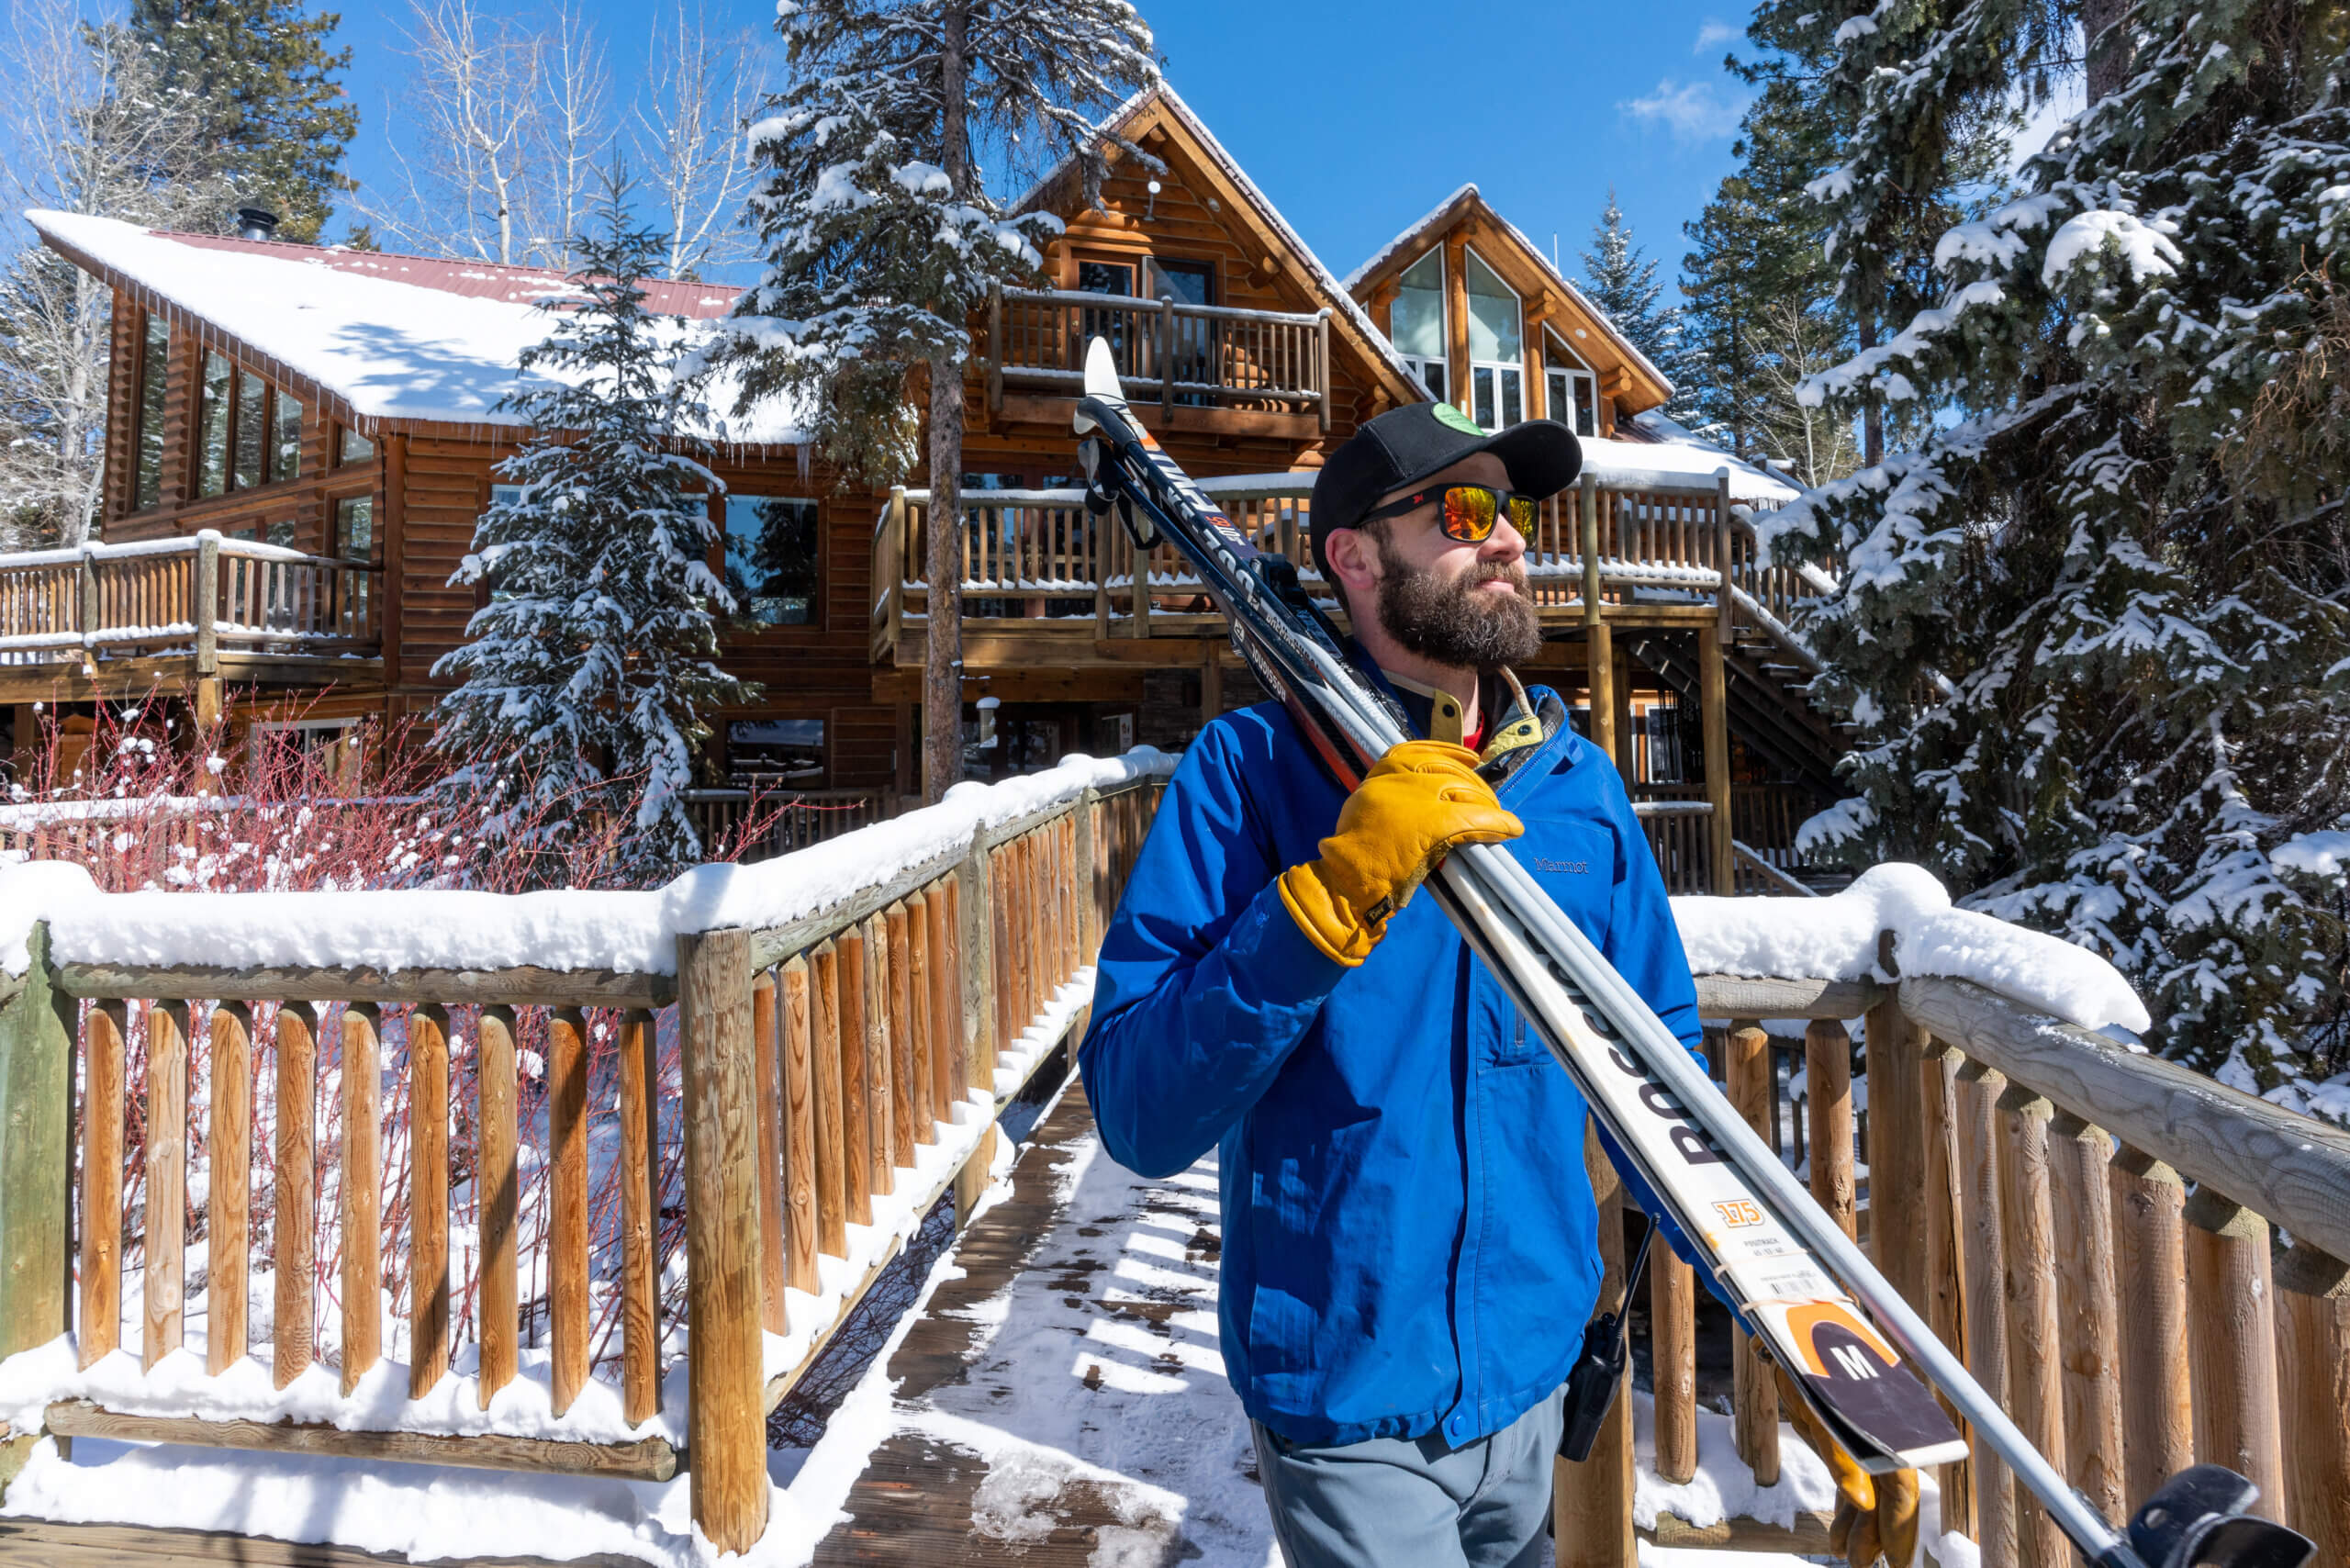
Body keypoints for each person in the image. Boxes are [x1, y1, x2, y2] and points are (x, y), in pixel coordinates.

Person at [1077, 401, 1910, 1568]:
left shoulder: (1575, 789)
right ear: (1354, 557)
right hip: (1349, 1382)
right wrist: (1322, 904)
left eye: (1511, 511)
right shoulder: (1253, 776)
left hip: (1530, 1369)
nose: (1510, 539)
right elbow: (1137, 1109)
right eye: (1464, 512)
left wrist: (1798, 1327)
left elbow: (1658, 1082)